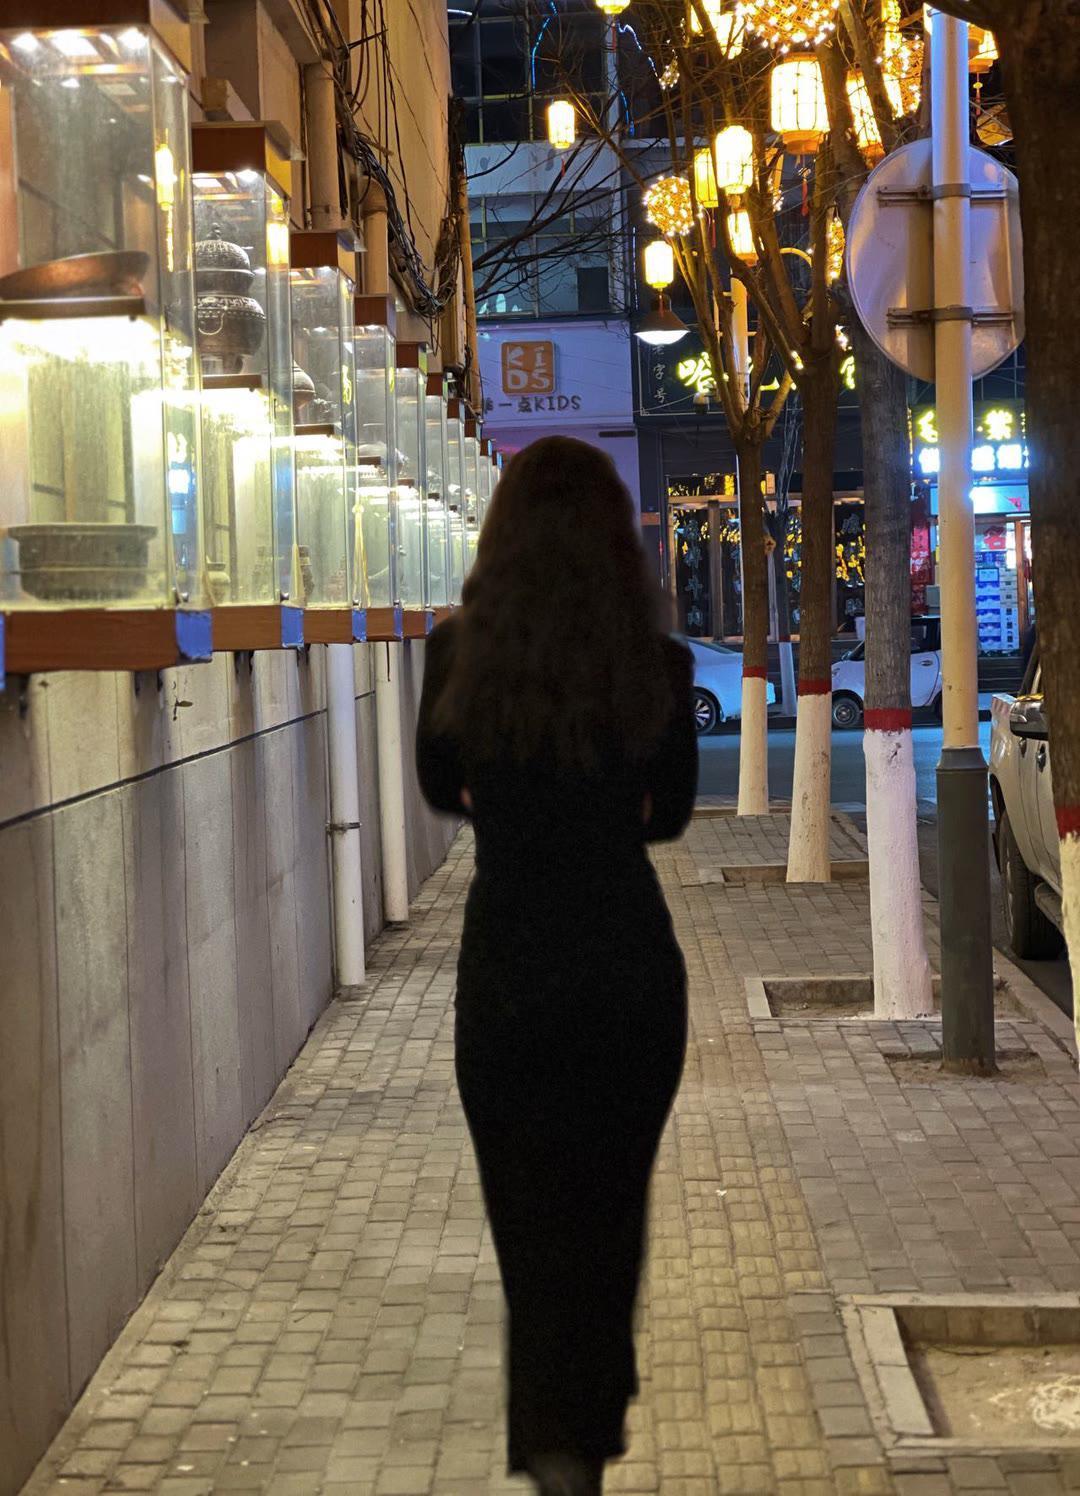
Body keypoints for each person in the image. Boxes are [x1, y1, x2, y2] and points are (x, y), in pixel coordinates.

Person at [416, 436, 697, 1496]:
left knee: (531, 1238)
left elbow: (439, 787)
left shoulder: (459, 653)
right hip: (627, 970)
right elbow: (668, 816)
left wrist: (511, 796)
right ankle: (587, 1440)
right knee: (609, 1226)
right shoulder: (654, 660)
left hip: (511, 975)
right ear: (615, 539)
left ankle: (556, 1459)